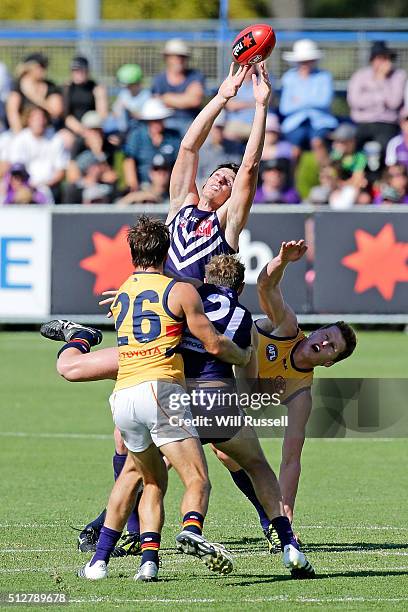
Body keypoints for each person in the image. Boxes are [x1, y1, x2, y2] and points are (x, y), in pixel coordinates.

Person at [41, 248, 316, 580]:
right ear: (240, 289)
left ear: (203, 281)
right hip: (215, 401)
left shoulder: (185, 295)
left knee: (140, 473)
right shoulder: (245, 319)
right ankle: (288, 545)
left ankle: (110, 556)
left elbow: (167, 297)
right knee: (256, 466)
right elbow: (249, 384)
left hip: (167, 392)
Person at [217, 241, 356, 527]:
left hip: (229, 396)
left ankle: (275, 519)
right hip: (208, 365)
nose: (324, 341)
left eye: (332, 346)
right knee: (175, 447)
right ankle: (117, 527)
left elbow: (291, 459)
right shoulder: (286, 326)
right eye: (325, 334)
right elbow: (266, 286)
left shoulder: (301, 393)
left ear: (329, 362)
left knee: (225, 452)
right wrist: (282, 260)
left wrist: (288, 511)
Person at [279, 39, 337, 161]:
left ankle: (326, 177)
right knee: (294, 149)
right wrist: (311, 101)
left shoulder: (324, 76)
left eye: (308, 61)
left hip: (321, 122)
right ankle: (293, 179)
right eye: (302, 61)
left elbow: (325, 101)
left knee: (318, 143)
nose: (305, 64)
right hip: (295, 123)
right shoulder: (289, 77)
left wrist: (299, 101)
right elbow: (284, 108)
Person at [347, 41, 407, 153]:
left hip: (387, 124)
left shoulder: (399, 76)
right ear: (372, 59)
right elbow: (354, 101)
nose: (385, 62)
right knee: (351, 147)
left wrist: (382, 80)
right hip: (362, 123)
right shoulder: (360, 76)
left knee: (386, 146)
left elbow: (394, 102)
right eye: (381, 58)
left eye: (387, 58)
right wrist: (380, 99)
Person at [8, 106, 68, 199]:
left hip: (51, 186)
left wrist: (44, 185)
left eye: (42, 118)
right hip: (26, 187)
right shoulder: (20, 139)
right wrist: (26, 186)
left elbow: (60, 171)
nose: (39, 122)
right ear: (29, 120)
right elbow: (16, 170)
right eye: (36, 119)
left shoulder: (56, 139)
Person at [123, 98, 180, 192]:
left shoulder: (173, 136)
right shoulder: (137, 136)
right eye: (153, 120)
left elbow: (180, 163)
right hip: (143, 186)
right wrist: (133, 186)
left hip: (169, 187)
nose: (157, 123)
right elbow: (129, 160)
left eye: (159, 120)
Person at [151, 38, 205, 137]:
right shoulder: (159, 79)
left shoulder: (195, 75)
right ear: (166, 58)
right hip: (166, 123)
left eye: (182, 56)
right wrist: (184, 98)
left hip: (191, 122)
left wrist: (166, 98)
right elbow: (155, 104)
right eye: (175, 56)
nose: (179, 59)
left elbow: (194, 100)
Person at [6, 52, 63, 133]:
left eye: (45, 66)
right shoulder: (17, 88)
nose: (44, 70)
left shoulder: (51, 87)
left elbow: (56, 111)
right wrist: (22, 137)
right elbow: (12, 115)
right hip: (23, 133)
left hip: (46, 131)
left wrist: (34, 96)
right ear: (29, 68)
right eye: (41, 66)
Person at [63, 56, 108, 137]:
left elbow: (102, 114)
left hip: (93, 128)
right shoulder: (67, 88)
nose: (78, 73)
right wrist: (82, 130)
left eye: (80, 70)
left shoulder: (96, 88)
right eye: (75, 70)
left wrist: (91, 129)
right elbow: (66, 116)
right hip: (73, 128)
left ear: (87, 71)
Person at [196, 112, 243, 185]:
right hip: (204, 184)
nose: (219, 132)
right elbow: (197, 176)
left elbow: (235, 169)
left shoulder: (234, 147)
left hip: (225, 183)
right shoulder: (201, 148)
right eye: (216, 128)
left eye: (221, 128)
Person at [111, 63, 151, 134]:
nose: (127, 88)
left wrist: (130, 111)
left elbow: (145, 116)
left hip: (140, 128)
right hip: (123, 129)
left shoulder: (146, 95)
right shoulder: (124, 94)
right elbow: (115, 113)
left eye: (129, 85)